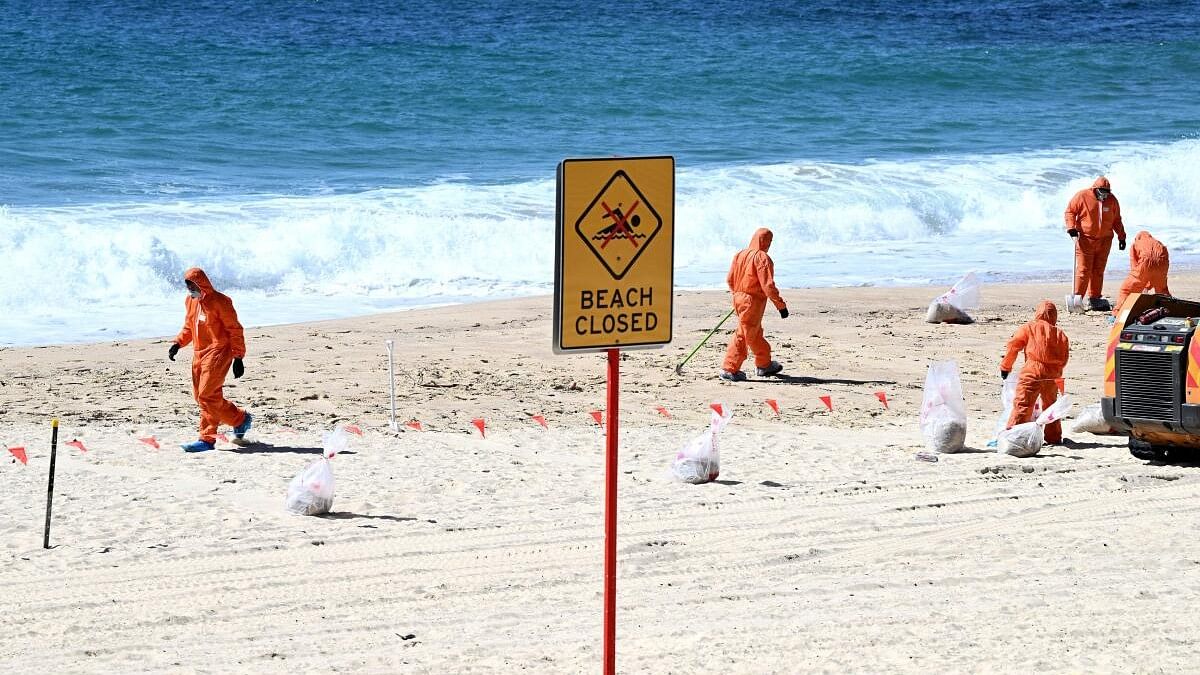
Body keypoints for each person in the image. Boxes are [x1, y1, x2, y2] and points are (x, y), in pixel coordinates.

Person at [168, 268, 252, 452]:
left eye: (192, 284)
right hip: (199, 354)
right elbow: (189, 327)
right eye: (187, 285)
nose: (189, 288)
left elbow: (235, 329)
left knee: (207, 395)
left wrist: (238, 357)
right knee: (202, 397)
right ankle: (239, 419)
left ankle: (207, 439)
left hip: (219, 352)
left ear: (202, 283)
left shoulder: (221, 302)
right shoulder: (190, 301)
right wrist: (177, 343)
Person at [720, 227, 788, 381]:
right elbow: (768, 286)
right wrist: (781, 306)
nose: (769, 245)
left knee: (754, 333)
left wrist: (738, 295)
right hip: (752, 302)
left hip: (739, 298)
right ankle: (730, 369)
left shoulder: (739, 254)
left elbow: (730, 279)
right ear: (763, 241)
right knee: (743, 335)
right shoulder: (762, 258)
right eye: (769, 241)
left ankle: (764, 364)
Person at [1000, 300, 1069, 444]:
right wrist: (1056, 371)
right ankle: (1054, 437)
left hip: (1033, 370)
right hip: (1053, 375)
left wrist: (1005, 367)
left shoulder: (1029, 327)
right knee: (1051, 407)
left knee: (1023, 405)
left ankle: (1014, 436)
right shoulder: (1060, 334)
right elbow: (1064, 358)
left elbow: (1013, 346)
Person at [1064, 176, 1126, 311]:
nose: (1104, 195)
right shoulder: (1082, 196)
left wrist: (1122, 237)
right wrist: (1071, 228)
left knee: (1098, 270)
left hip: (1105, 241)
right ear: (1095, 190)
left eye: (1106, 192)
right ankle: (1078, 298)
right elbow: (1070, 212)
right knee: (1084, 270)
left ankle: (1095, 298)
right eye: (1101, 192)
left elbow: (1117, 220)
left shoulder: (1112, 200)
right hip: (1085, 239)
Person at [1112, 230, 1171, 315]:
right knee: (1162, 290)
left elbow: (1134, 266)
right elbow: (1165, 261)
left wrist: (1142, 283)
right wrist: (1150, 284)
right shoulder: (1159, 243)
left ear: (1137, 238)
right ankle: (1169, 309)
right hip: (1162, 265)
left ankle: (1117, 314)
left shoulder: (1136, 244)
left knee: (1126, 290)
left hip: (1145, 263)